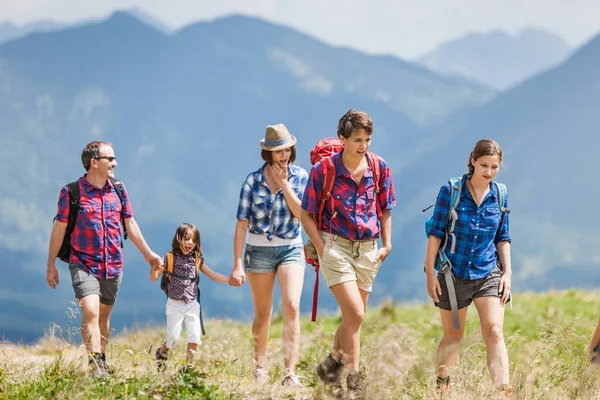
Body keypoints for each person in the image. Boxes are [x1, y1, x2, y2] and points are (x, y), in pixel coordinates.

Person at [45, 141, 162, 379]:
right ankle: (95, 367)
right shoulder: (72, 193)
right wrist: (51, 265)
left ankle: (102, 359)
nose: (115, 163)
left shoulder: (119, 190)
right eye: (110, 158)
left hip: (113, 264)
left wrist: (149, 255)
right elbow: (59, 229)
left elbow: (130, 223)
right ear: (94, 162)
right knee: (91, 312)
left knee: (104, 317)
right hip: (83, 263)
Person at [300, 109, 396, 399]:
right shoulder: (325, 170)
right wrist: (320, 246)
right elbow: (306, 214)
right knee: (354, 313)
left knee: (354, 317)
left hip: (369, 249)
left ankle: (330, 365)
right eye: (357, 139)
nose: (363, 146)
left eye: (367, 139)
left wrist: (387, 244)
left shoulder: (379, 167)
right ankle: (354, 382)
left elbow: (386, 208)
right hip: (335, 246)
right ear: (342, 138)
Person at [425, 139, 513, 394]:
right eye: (484, 165)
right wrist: (430, 273)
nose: (488, 171)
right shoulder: (451, 190)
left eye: (494, 167)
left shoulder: (500, 194)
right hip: (453, 275)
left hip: (488, 272)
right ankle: (442, 386)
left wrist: (507, 273)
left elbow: (502, 237)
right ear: (473, 161)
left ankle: (503, 391)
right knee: (454, 336)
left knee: (495, 332)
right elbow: (436, 234)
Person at [228, 123, 308, 386]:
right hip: (258, 250)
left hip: (291, 247)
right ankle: (260, 367)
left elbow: (302, 214)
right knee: (263, 313)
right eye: (277, 152)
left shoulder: (300, 177)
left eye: (286, 150)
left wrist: (284, 184)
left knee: (292, 307)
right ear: (268, 154)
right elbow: (241, 224)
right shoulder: (252, 181)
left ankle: (289, 372)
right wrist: (237, 264)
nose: (283, 156)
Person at [150, 223, 229, 373]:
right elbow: (153, 277)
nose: (190, 243)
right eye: (186, 239)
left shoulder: (197, 260)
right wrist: (154, 266)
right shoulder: (168, 258)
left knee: (194, 336)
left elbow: (213, 275)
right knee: (173, 337)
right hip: (174, 304)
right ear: (178, 238)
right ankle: (162, 352)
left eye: (194, 240)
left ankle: (189, 368)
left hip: (192, 304)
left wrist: (229, 280)